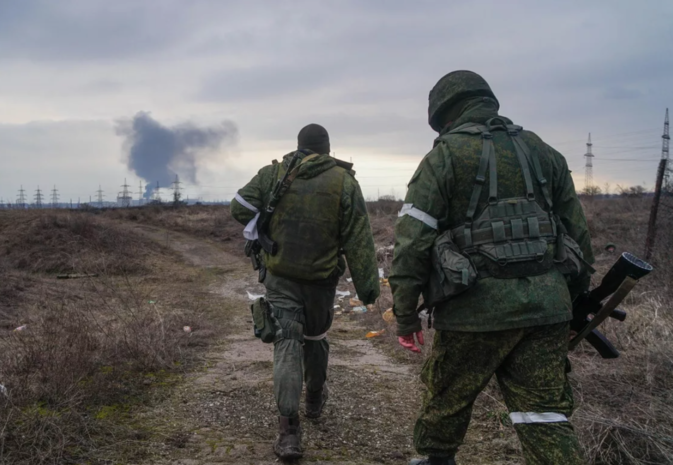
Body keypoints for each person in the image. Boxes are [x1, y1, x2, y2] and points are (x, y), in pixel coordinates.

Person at [389, 71, 594, 465]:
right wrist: (575, 300)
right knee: (544, 411)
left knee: (448, 398)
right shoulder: (544, 151)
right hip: (547, 305)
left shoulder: (444, 156)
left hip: (473, 311)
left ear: (444, 115)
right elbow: (578, 235)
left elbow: (411, 243)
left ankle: (436, 459)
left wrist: (404, 316)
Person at [231, 124, 380, 460]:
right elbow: (359, 241)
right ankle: (314, 400)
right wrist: (369, 291)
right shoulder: (344, 181)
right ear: (327, 149)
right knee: (315, 340)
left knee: (285, 344)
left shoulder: (274, 173)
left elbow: (238, 207)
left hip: (280, 278)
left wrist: (266, 223)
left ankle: (288, 434)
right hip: (321, 283)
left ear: (298, 146)